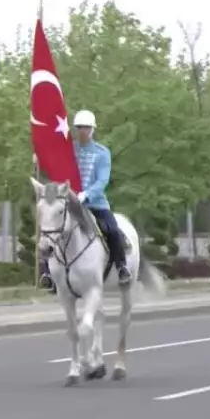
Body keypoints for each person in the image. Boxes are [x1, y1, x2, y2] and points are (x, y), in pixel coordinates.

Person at [39, 109, 130, 292]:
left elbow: (102, 180)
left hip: (95, 203)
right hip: (69, 203)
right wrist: (39, 160)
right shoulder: (68, 151)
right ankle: (48, 273)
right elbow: (56, 169)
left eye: (86, 128)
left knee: (112, 230)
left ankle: (121, 267)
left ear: (92, 129)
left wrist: (86, 194)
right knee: (51, 231)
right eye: (79, 127)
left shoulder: (102, 153)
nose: (82, 131)